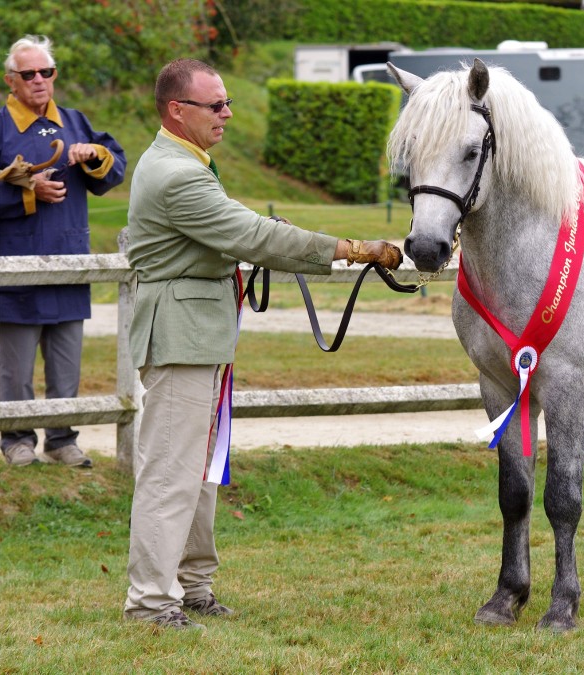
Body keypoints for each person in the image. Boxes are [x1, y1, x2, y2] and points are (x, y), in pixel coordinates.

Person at [123, 58, 402, 630]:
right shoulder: (177, 174)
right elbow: (253, 235)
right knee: (171, 474)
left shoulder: (187, 162)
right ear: (178, 111)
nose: (227, 113)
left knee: (199, 471)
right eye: (215, 105)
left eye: (227, 102)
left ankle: (193, 586)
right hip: (181, 336)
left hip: (198, 333)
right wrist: (349, 247)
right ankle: (151, 601)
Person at [0, 35, 127, 468]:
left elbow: (114, 170)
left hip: (70, 264)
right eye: (28, 74)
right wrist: (25, 193)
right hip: (16, 268)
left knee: (65, 364)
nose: (39, 80)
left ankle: (62, 439)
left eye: (46, 72)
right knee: (14, 372)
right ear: (10, 81)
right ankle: (16, 441)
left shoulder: (75, 121)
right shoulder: (0, 126)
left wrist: (94, 154)